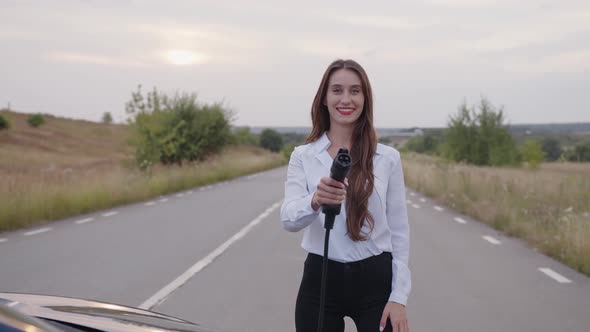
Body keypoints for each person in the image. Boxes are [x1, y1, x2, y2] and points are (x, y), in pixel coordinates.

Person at [280, 59, 411, 332]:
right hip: (321, 280)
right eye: (337, 90)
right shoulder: (303, 156)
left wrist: (398, 297)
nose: (346, 99)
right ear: (324, 99)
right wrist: (315, 200)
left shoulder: (387, 158)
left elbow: (399, 232)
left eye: (355, 90)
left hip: (376, 280)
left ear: (365, 99)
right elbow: (288, 219)